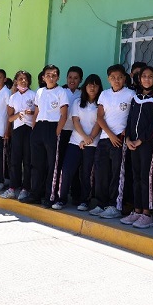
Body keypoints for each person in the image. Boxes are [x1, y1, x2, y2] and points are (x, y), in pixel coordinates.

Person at [121, 66, 153, 228]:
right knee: (136, 176)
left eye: (150, 76)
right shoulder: (136, 97)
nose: (147, 79)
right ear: (139, 79)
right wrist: (127, 138)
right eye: (144, 76)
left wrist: (141, 139)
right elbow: (130, 118)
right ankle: (137, 210)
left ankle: (147, 213)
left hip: (147, 144)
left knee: (146, 177)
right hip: (132, 143)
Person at [92, 64, 135, 219]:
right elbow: (99, 117)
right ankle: (101, 203)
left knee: (118, 173)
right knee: (102, 172)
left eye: (119, 77)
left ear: (124, 78)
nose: (116, 80)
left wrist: (125, 132)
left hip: (120, 140)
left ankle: (114, 205)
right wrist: (110, 134)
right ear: (109, 79)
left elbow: (133, 117)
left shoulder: (131, 94)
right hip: (106, 138)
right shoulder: (104, 94)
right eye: (113, 78)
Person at [54, 74, 102, 210]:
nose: (92, 87)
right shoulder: (77, 102)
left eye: (95, 85)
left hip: (92, 144)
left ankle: (84, 201)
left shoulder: (101, 104)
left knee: (86, 173)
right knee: (67, 170)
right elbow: (76, 121)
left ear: (99, 87)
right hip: (75, 142)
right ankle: (61, 199)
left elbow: (99, 123)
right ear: (85, 86)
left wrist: (88, 140)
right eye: (89, 84)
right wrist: (84, 138)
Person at [26, 64, 68, 206]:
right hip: (39, 127)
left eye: (54, 75)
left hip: (52, 127)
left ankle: (50, 196)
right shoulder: (40, 91)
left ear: (58, 77)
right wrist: (34, 128)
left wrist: (57, 132)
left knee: (52, 165)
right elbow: (36, 111)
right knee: (37, 164)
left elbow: (64, 114)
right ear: (43, 77)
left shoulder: (61, 92)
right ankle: (35, 194)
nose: (51, 77)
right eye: (48, 75)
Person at [0, 70, 36, 200]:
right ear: (16, 81)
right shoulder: (13, 97)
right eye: (20, 79)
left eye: (25, 79)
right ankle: (12, 188)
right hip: (17, 130)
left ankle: (25, 188)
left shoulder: (33, 95)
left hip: (29, 129)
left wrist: (30, 113)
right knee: (15, 160)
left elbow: (38, 112)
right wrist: (17, 115)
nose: (23, 81)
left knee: (28, 160)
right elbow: (9, 118)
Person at [59, 66, 83, 203]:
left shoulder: (82, 94)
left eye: (76, 78)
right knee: (60, 163)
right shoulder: (61, 91)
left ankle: (76, 194)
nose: (72, 80)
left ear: (80, 80)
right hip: (62, 132)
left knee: (75, 166)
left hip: (77, 134)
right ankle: (59, 193)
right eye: (70, 77)